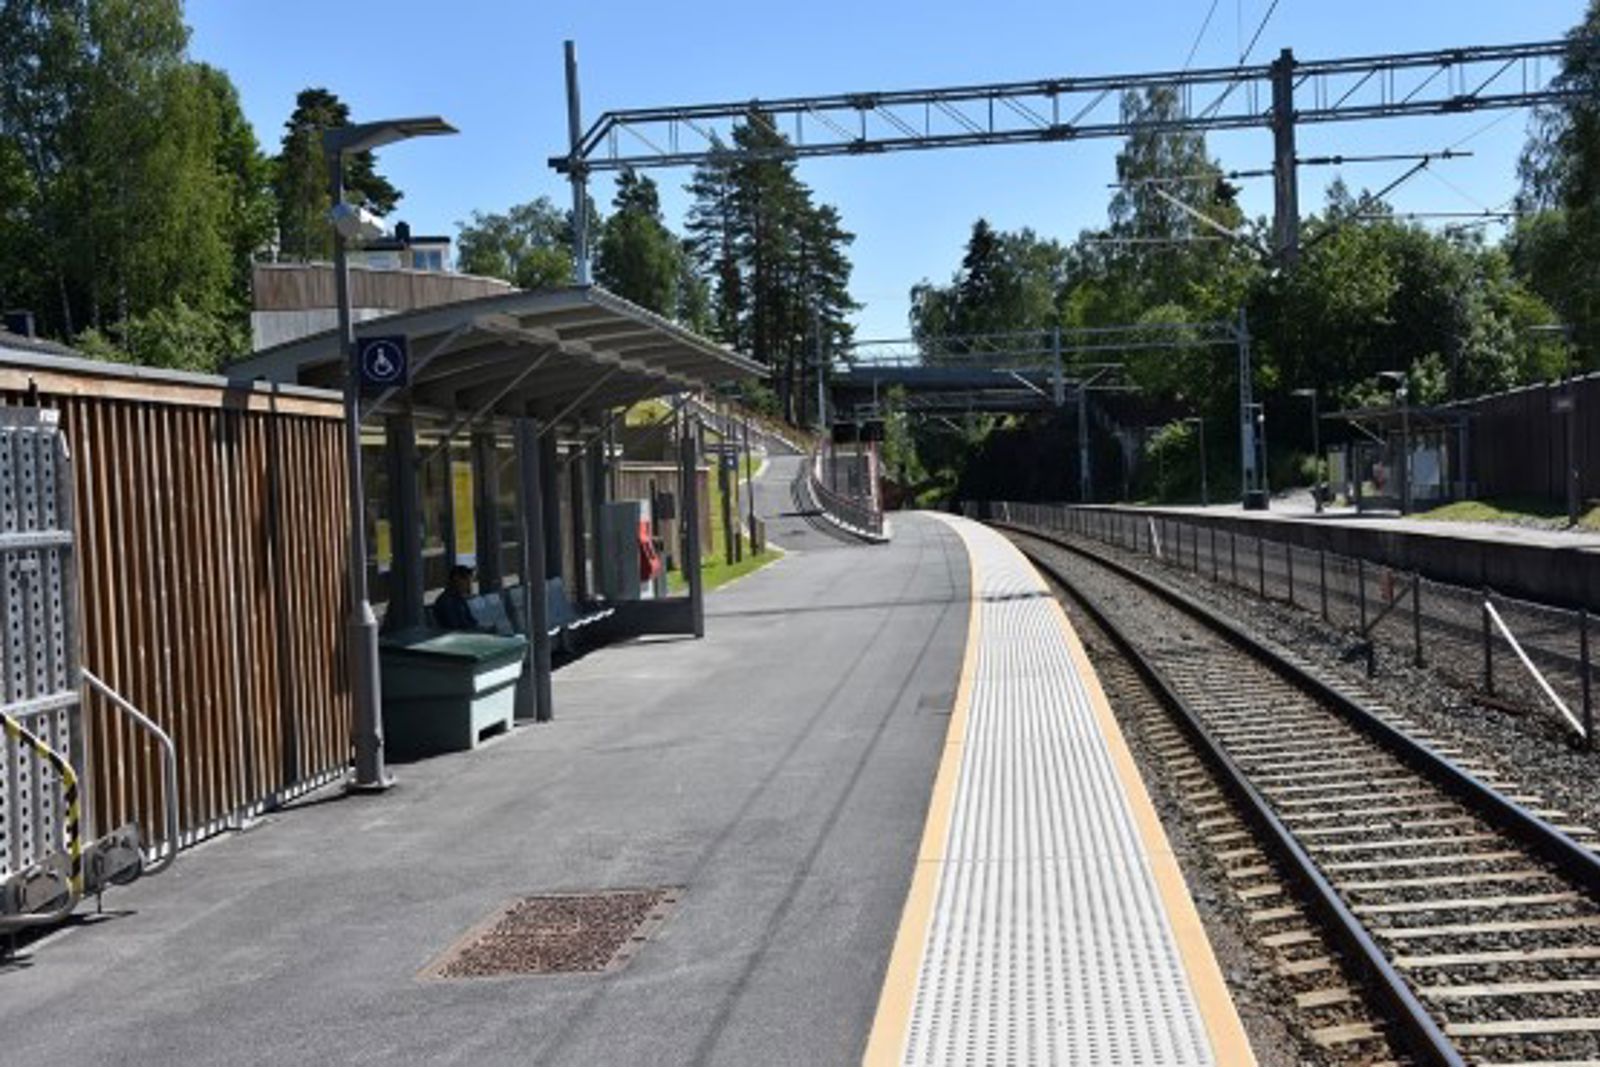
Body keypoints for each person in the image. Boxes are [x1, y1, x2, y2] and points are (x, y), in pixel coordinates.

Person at [432, 565, 478, 631]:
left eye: (469, 581)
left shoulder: (459, 599)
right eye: (466, 580)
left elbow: (471, 620)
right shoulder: (446, 601)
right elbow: (455, 625)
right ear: (456, 579)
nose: (468, 584)